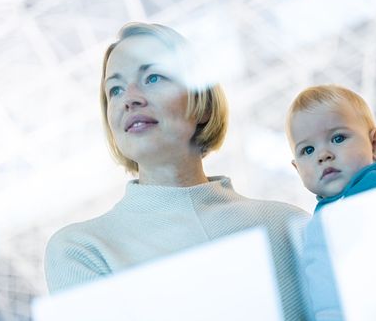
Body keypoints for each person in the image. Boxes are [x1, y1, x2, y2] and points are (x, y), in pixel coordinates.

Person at [44, 22, 311, 320]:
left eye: (153, 77)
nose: (129, 98)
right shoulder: (82, 250)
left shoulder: (288, 225)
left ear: (203, 103)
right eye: (115, 89)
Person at [285, 84, 376, 320]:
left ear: (375, 144)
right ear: (297, 168)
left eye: (338, 138)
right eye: (308, 150)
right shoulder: (324, 214)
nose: (323, 155)